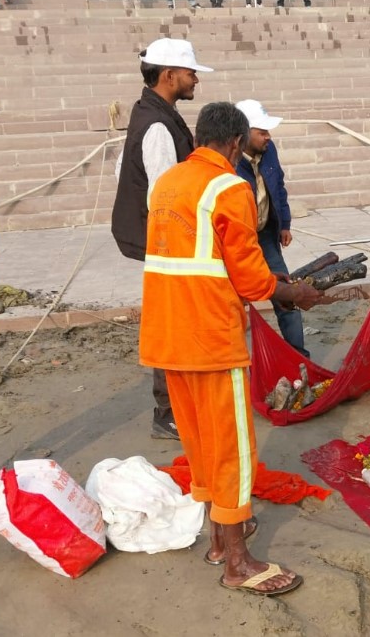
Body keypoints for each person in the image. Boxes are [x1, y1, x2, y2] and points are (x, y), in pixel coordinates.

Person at [140, 102, 320, 595]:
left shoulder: (168, 183)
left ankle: (220, 540)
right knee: (233, 450)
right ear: (236, 143)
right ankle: (238, 564)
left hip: (167, 336)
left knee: (199, 443)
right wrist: (293, 291)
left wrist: (273, 282)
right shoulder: (228, 187)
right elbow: (250, 277)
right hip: (211, 339)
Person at [112, 38, 211, 440]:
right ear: (169, 75)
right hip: (167, 246)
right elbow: (165, 196)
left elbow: (124, 168)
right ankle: (169, 412)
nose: (195, 80)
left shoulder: (151, 113)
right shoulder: (156, 125)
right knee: (173, 326)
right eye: (190, 73)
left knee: (176, 324)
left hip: (160, 243)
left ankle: (176, 406)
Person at [233, 99, 309, 357]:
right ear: (243, 134)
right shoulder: (230, 161)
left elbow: (279, 187)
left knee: (287, 296)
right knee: (235, 302)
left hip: (266, 236)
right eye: (262, 132)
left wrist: (284, 223)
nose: (268, 137)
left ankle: (299, 357)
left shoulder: (269, 150)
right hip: (237, 242)